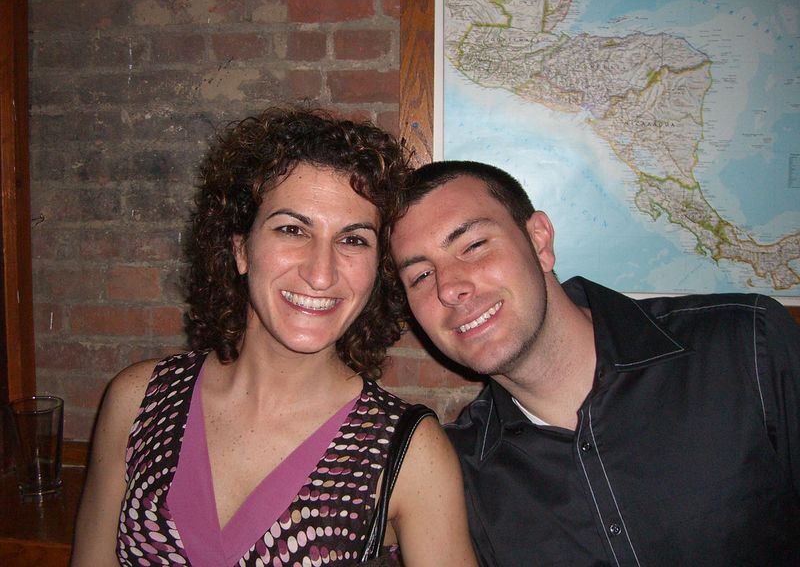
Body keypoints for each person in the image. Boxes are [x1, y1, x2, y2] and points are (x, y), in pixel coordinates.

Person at [72, 108, 478, 567]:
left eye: (353, 240)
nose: (321, 274)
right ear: (241, 249)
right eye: (292, 229)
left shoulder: (410, 452)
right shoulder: (139, 400)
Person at [389, 160, 800, 566]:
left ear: (539, 242)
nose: (450, 288)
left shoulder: (747, 345)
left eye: (474, 246)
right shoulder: (460, 476)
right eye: (421, 276)